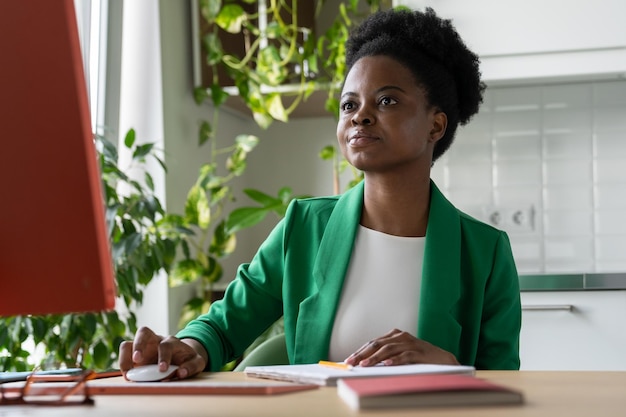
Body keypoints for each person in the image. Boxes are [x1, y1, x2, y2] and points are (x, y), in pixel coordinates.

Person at [119, 7, 521, 380]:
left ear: (435, 126)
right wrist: (190, 348)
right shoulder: (303, 227)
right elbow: (222, 327)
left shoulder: (485, 253)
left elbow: (507, 384)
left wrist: (449, 367)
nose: (360, 115)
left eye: (386, 100)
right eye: (349, 105)